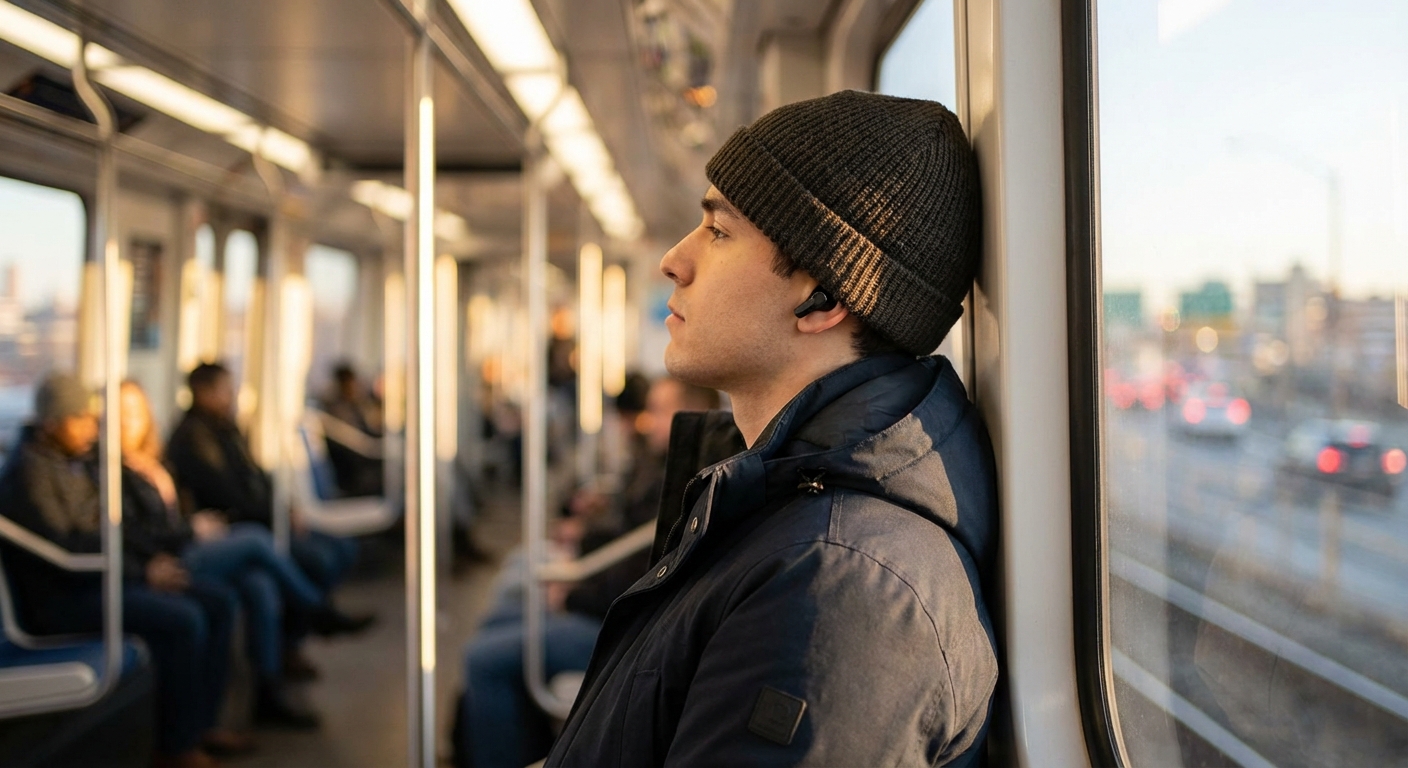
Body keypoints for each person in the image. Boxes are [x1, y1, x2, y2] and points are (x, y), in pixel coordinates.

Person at [545, 90, 998, 766]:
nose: (674, 259)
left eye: (719, 231)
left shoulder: (842, 590)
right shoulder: (780, 504)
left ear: (824, 298)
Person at [455, 377, 717, 768]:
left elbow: (645, 571)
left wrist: (575, 592)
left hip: (621, 627)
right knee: (498, 623)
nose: (648, 420)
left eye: (660, 411)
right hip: (610, 603)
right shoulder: (667, 465)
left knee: (484, 657)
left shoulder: (688, 481)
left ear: (690, 414)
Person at [0, 373, 239, 768]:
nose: (93, 427)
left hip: (96, 581)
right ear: (52, 422)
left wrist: (148, 564)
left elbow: (111, 530)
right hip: (61, 600)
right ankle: (176, 746)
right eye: (80, 419)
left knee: (217, 601)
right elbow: (68, 549)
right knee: (184, 620)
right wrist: (142, 574)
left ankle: (199, 727)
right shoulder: (30, 475)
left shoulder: (70, 460)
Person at [119, 379, 361, 729]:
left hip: (189, 539)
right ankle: (317, 610)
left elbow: (184, 508)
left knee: (259, 584)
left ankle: (267, 688)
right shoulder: (121, 471)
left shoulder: (158, 460)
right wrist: (189, 531)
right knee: (255, 540)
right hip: (173, 553)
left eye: (136, 413)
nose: (130, 422)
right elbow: (138, 531)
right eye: (122, 414)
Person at [165, 363, 366, 601]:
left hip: (262, 517)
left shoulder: (226, 428)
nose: (231, 394)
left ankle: (312, 613)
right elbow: (227, 495)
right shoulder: (194, 437)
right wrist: (275, 514)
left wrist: (285, 508)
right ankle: (316, 609)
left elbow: (256, 474)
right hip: (239, 524)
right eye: (225, 389)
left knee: (344, 548)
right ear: (203, 392)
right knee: (316, 558)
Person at [319, 361, 384, 497]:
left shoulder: (346, 406)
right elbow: (357, 445)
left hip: (357, 470)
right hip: (354, 477)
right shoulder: (339, 410)